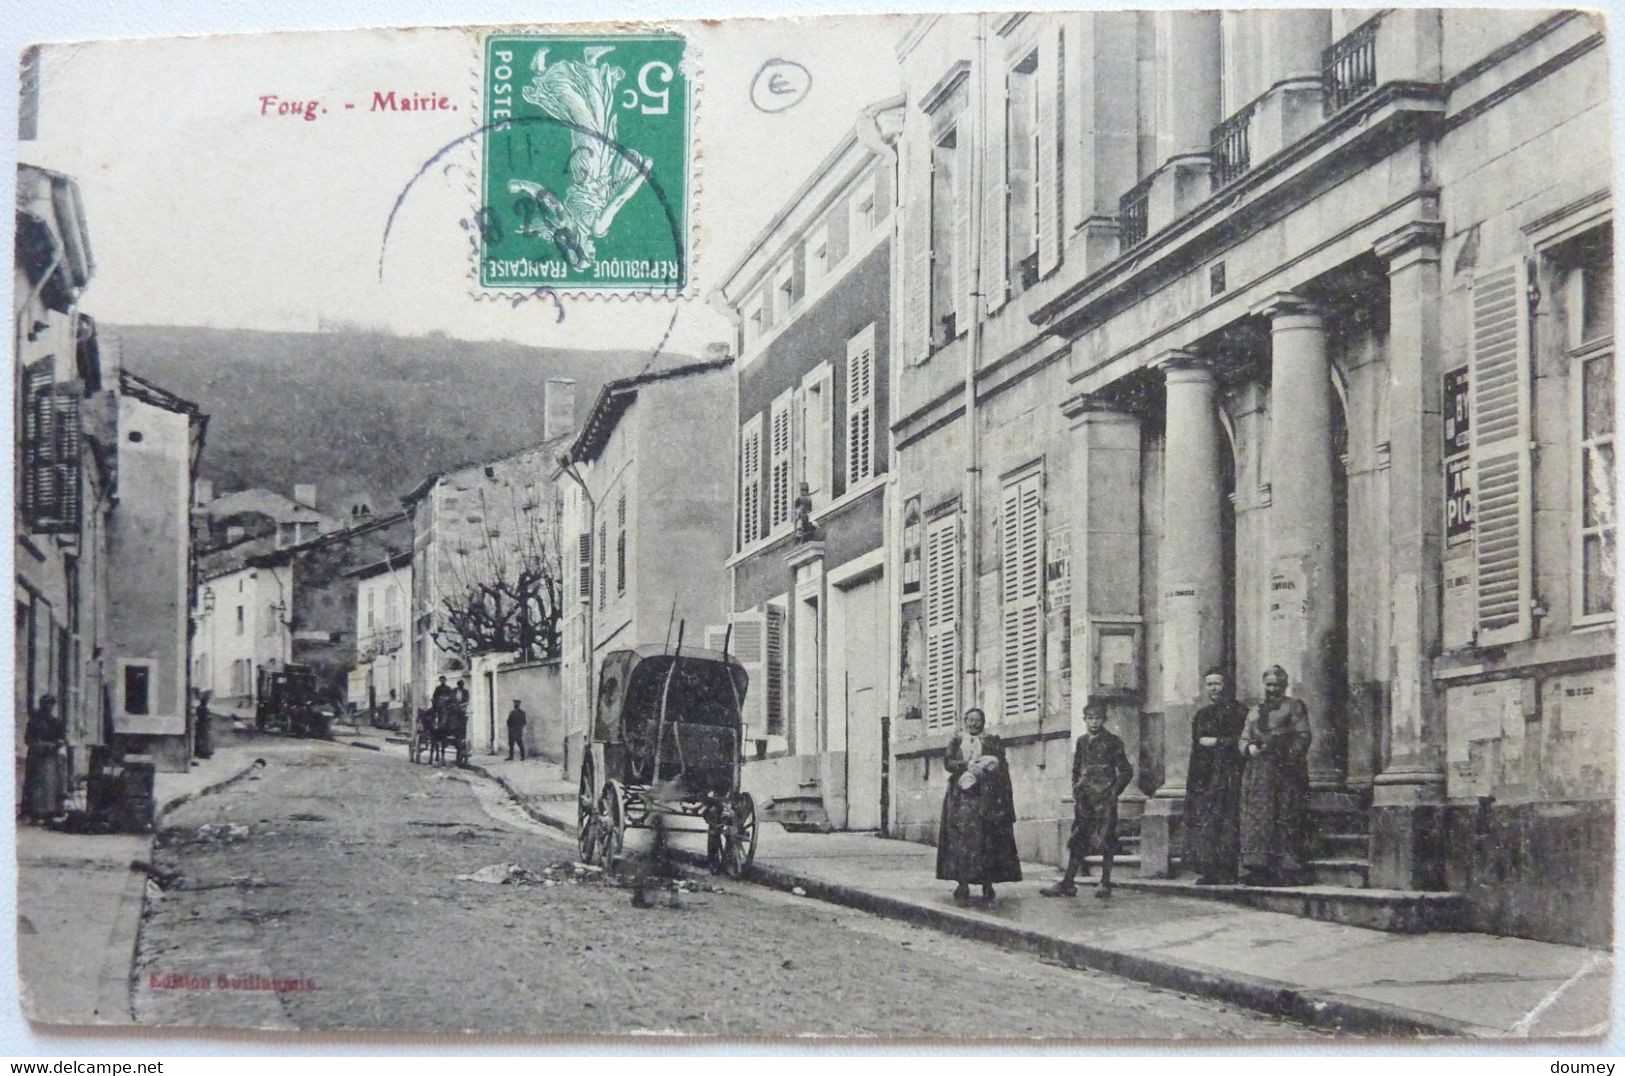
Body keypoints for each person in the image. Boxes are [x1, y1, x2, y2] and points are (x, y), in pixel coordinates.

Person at [1043, 698, 1134, 899]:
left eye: (1098, 718)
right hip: (1085, 800)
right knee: (1078, 838)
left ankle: (1105, 882)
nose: (1094, 722)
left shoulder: (1113, 742)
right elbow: (1076, 770)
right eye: (1090, 718)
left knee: (1106, 837)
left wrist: (1113, 792)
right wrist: (1076, 789)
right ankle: (1068, 883)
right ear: (1084, 720)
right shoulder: (1082, 742)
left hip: (1105, 799)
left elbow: (1126, 771)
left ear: (1104, 720)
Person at [934, 707, 1022, 904]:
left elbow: (1001, 766)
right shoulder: (957, 740)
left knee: (986, 840)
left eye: (977, 720)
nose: (973, 724)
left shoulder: (992, 741)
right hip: (961, 798)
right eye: (970, 720)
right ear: (965, 721)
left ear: (983, 722)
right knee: (961, 840)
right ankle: (962, 882)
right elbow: (948, 763)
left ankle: (987, 883)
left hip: (985, 797)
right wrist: (966, 765)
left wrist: (989, 765)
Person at [1238, 665, 1313, 887]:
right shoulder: (1254, 711)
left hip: (1284, 772)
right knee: (1257, 819)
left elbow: (1304, 736)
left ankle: (1286, 868)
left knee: (1284, 816)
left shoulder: (1294, 707)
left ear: (1284, 686)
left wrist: (1287, 755)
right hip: (1258, 773)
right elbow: (1243, 738)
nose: (1273, 689)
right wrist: (1248, 748)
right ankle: (1257, 867)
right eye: (1269, 685)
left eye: (1277, 685)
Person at [1183, 668, 1247, 884]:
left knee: (1227, 819)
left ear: (1226, 686)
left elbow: (1242, 741)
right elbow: (1197, 745)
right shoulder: (1202, 714)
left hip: (1229, 772)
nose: (1213, 688)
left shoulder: (1239, 712)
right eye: (1209, 684)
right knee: (1207, 820)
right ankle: (1209, 869)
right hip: (1206, 774)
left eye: (1217, 684)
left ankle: (1228, 869)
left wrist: (1218, 742)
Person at [22, 695, 65, 823]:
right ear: (41, 705)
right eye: (46, 704)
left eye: (51, 704)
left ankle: (50, 812)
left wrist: (58, 743)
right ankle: (34, 812)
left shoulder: (56, 722)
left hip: (50, 758)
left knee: (51, 785)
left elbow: (62, 738)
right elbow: (27, 739)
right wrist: (38, 744)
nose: (49, 707)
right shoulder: (33, 722)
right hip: (36, 757)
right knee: (35, 785)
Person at [194, 691, 214, 760]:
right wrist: (209, 718)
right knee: (205, 739)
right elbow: (207, 717)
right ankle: (205, 754)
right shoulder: (205, 709)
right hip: (204, 726)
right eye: (206, 701)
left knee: (200, 739)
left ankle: (200, 753)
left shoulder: (198, 708)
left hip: (199, 725)